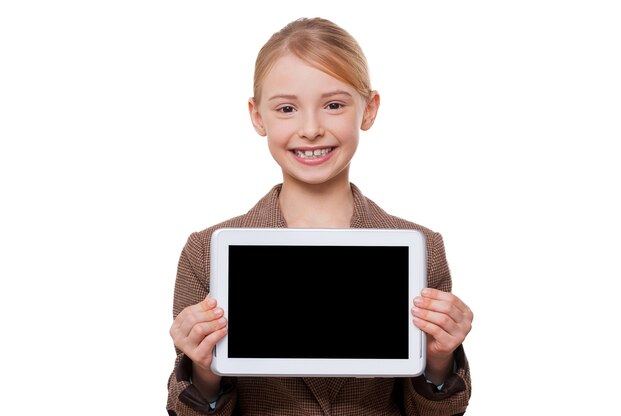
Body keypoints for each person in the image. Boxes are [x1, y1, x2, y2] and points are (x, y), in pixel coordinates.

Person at [167, 17, 473, 416]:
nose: (310, 129)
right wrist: (205, 371)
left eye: (333, 105)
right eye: (287, 108)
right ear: (258, 116)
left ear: (369, 109)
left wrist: (438, 362)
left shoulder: (420, 248)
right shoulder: (206, 251)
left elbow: (435, 411)